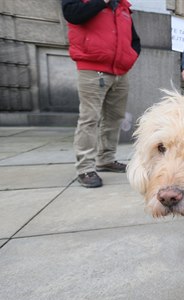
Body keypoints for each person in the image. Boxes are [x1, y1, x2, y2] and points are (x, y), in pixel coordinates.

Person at [62, 0, 141, 188]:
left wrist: (130, 56)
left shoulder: (123, 8)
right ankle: (85, 168)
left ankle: (106, 159)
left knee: (114, 118)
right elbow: (72, 14)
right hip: (92, 68)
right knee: (90, 118)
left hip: (120, 72)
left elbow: (134, 40)